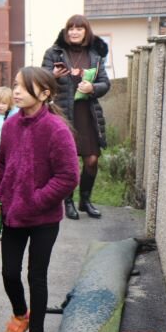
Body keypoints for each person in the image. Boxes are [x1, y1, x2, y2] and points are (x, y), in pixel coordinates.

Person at [0, 67, 79, 332]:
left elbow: (68, 177)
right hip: (13, 214)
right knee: (8, 272)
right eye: (15, 85)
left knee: (36, 276)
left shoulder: (56, 129)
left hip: (44, 218)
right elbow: (2, 165)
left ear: (44, 94)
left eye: (24, 87)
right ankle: (21, 314)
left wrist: (37, 199)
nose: (16, 91)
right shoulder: (10, 125)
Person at [41, 15, 111, 219]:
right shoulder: (54, 53)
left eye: (79, 28)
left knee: (92, 160)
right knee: (67, 159)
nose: (74, 32)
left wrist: (93, 87)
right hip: (63, 113)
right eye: (70, 28)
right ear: (66, 31)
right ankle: (68, 201)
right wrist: (51, 76)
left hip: (87, 113)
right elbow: (40, 79)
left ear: (86, 31)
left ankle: (85, 200)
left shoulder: (95, 55)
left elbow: (105, 83)